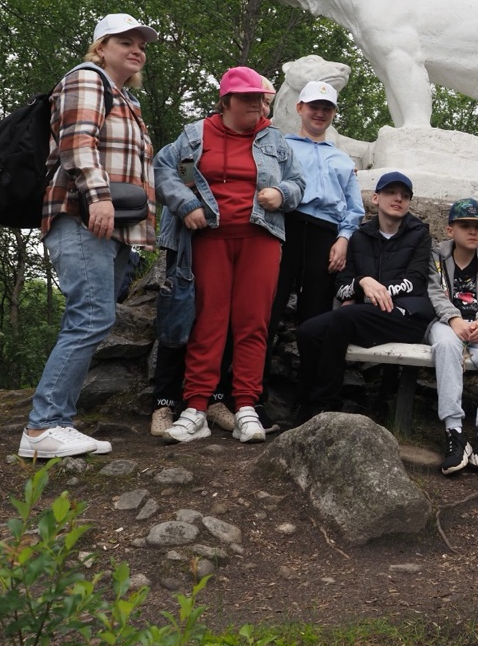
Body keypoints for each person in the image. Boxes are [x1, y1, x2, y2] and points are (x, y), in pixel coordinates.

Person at [19, 14, 158, 459]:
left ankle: (57, 421)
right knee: (92, 317)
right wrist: (98, 198)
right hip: (82, 215)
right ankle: (42, 429)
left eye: (141, 44)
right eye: (125, 41)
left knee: (89, 317)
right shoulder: (86, 78)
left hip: (110, 227)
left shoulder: (125, 98)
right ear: (101, 46)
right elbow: (77, 143)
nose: (136, 49)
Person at [154, 66, 305, 445]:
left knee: (253, 322)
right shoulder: (196, 135)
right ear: (227, 101)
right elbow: (168, 170)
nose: (258, 104)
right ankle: (197, 408)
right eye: (249, 98)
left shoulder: (274, 139)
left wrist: (282, 194)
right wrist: (187, 202)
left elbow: (298, 182)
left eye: (261, 98)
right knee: (208, 321)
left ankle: (245, 408)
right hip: (208, 237)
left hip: (261, 237)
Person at [294, 171, 433, 423]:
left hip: (407, 317)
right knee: (307, 331)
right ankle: (307, 404)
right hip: (366, 318)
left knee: (344, 317)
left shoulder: (419, 234)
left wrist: (372, 294)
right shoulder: (360, 237)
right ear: (375, 198)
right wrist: (361, 283)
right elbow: (342, 286)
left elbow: (415, 280)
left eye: (405, 195)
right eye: (391, 193)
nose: (398, 199)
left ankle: (327, 406)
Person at [269, 80, 364, 351]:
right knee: (268, 307)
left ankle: (311, 392)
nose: (319, 113)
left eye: (326, 108)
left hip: (325, 234)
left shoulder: (343, 160)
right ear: (300, 108)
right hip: (286, 227)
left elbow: (354, 207)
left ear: (333, 113)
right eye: (313, 106)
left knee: (317, 314)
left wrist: (344, 239)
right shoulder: (280, 147)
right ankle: (252, 389)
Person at [427, 198, 478, 475]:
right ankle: (454, 432)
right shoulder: (436, 257)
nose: (472, 232)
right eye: (465, 225)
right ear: (451, 229)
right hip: (445, 322)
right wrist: (454, 319)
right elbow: (433, 292)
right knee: (446, 346)